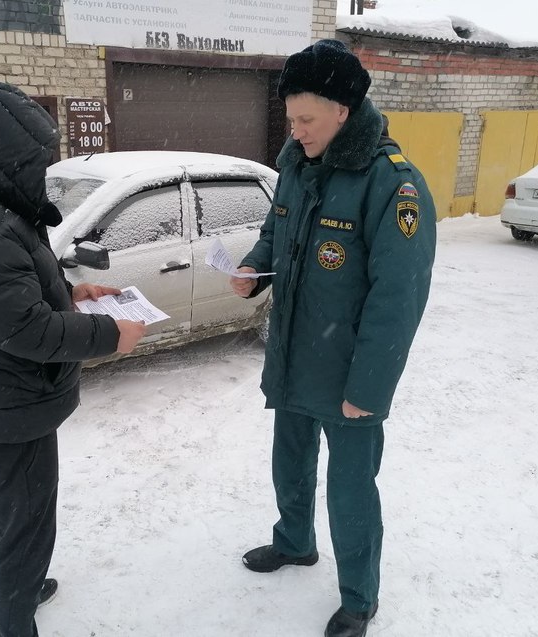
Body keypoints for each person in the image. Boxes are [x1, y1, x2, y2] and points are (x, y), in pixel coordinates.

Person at [0, 82, 146, 637]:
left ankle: (11, 593)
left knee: (7, 512)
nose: (43, 170)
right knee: (25, 523)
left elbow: (12, 295)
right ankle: (14, 618)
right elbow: (25, 328)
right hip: (9, 410)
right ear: (7, 155)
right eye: (37, 159)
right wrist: (109, 333)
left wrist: (71, 293)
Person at [230, 40, 436, 637]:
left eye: (306, 119)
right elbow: (276, 232)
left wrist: (367, 390)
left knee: (350, 492)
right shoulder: (297, 164)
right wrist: (253, 267)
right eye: (290, 119)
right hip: (295, 357)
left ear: (343, 111)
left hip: (349, 375)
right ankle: (294, 542)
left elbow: (398, 300)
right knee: (289, 464)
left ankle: (359, 600)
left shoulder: (392, 185)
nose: (295, 132)